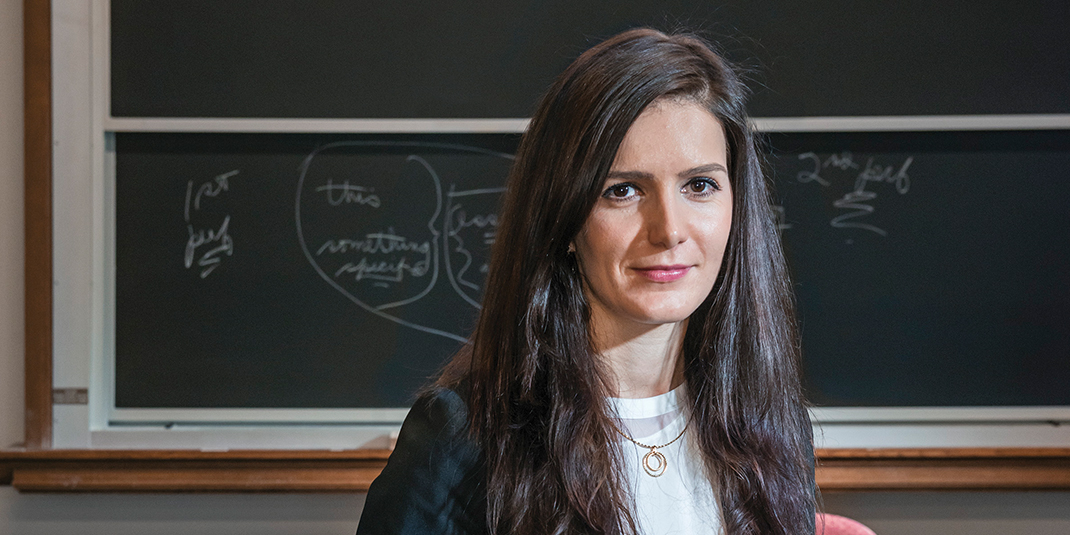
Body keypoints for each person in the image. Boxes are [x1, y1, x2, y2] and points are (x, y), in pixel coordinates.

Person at [356, 28, 815, 535]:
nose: (669, 230)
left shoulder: (767, 424)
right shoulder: (462, 440)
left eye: (699, 185)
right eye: (622, 191)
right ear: (565, 218)